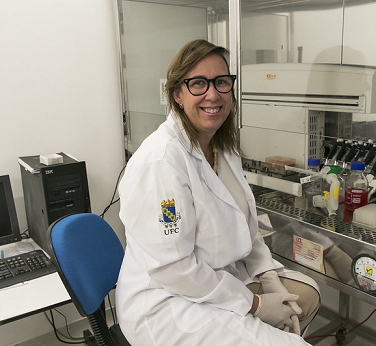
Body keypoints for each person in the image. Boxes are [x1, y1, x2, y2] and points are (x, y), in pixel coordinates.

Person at [115, 39, 321, 346]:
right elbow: (173, 268)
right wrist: (257, 305)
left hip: (216, 281)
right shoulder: (160, 163)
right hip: (169, 304)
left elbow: (245, 224)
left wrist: (268, 277)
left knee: (306, 296)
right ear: (177, 95)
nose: (213, 94)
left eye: (221, 82)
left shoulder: (221, 147)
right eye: (198, 83)